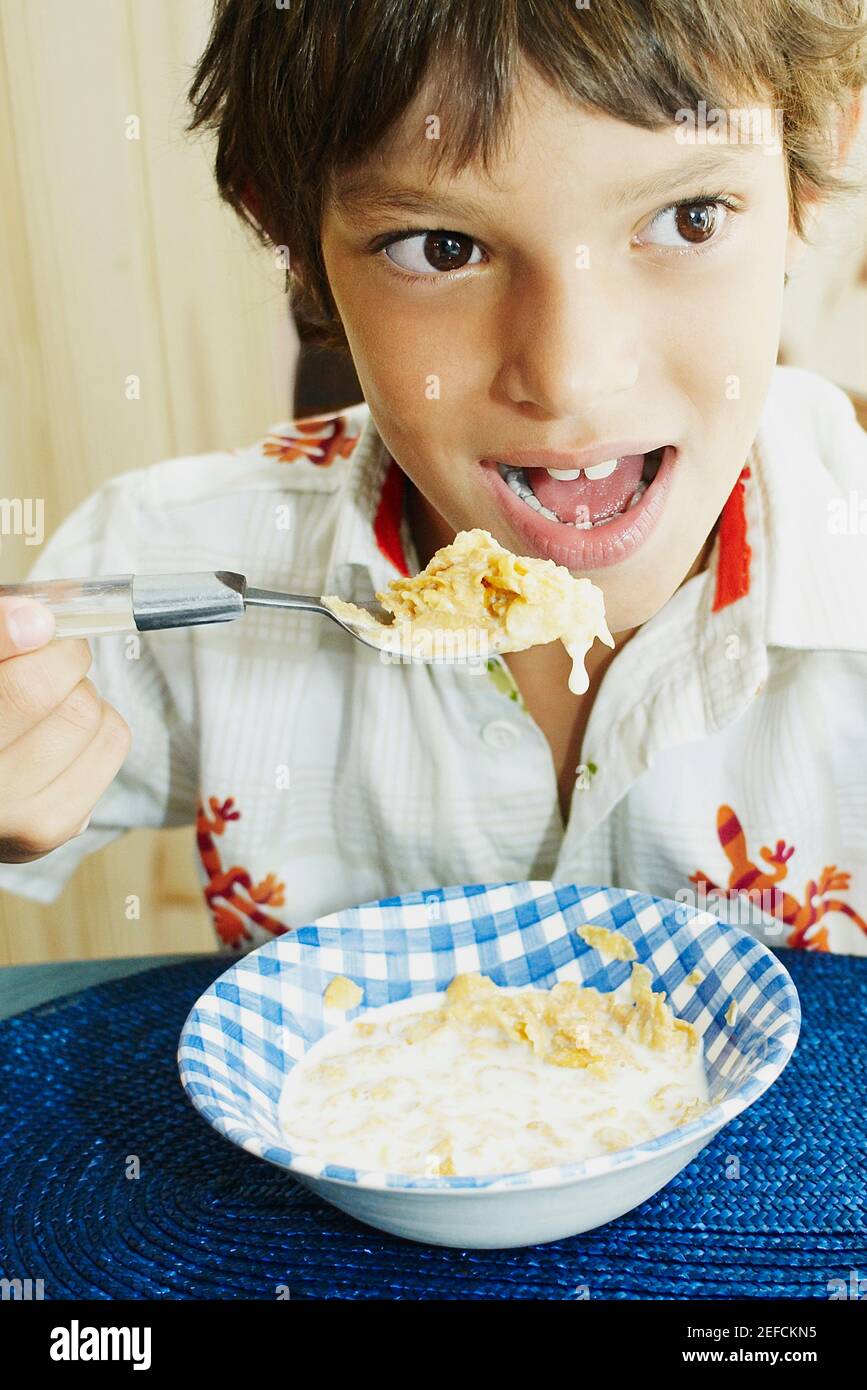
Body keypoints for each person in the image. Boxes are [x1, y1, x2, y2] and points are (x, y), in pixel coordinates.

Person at [1, 0, 866, 954]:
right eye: (441, 248)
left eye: (686, 217)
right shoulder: (174, 573)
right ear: (289, 236)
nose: (571, 376)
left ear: (810, 171)